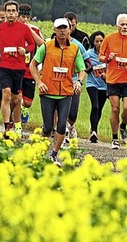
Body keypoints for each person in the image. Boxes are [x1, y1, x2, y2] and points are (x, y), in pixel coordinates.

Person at [29, 18, 86, 166]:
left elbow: (82, 69)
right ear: (54, 30)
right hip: (48, 92)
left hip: (66, 93)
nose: (62, 31)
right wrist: (39, 82)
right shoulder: (46, 47)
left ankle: (54, 154)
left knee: (62, 125)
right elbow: (33, 65)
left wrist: (79, 82)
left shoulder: (74, 49)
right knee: (48, 128)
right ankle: (40, 150)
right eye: (59, 29)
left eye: (64, 28)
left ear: (69, 30)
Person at [99, 13, 127, 149]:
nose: (124, 27)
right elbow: (100, 57)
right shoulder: (109, 38)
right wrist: (107, 58)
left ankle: (123, 126)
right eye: (122, 24)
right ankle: (114, 138)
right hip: (113, 79)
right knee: (115, 108)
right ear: (117, 25)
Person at [0, 0, 36, 135]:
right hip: (3, 66)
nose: (11, 13)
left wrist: (26, 50)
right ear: (5, 13)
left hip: (18, 67)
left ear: (17, 13)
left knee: (16, 99)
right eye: (8, 11)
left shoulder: (24, 29)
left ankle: (12, 117)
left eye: (13, 11)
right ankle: (6, 126)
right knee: (5, 93)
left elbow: (32, 44)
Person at [13, 4, 45, 135]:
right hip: (15, 68)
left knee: (27, 102)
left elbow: (43, 45)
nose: (25, 20)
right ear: (18, 16)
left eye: (27, 17)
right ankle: (17, 125)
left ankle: (23, 109)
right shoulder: (13, 28)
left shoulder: (35, 29)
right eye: (22, 17)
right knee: (17, 96)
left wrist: (30, 31)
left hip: (30, 69)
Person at [85, 31, 108, 143]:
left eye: (101, 41)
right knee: (95, 106)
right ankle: (94, 131)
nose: (99, 43)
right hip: (92, 84)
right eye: (97, 41)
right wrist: (90, 68)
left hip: (104, 85)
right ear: (93, 42)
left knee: (100, 109)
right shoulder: (89, 53)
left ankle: (93, 127)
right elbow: (85, 68)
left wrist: (106, 75)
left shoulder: (108, 54)